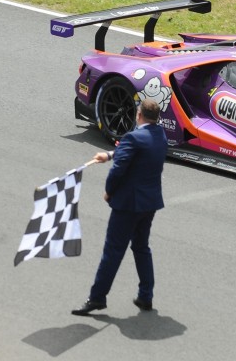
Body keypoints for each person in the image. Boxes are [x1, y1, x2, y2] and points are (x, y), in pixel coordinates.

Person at [72, 98, 168, 316]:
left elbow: (118, 171)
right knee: (142, 248)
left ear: (139, 115)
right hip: (149, 203)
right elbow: (138, 152)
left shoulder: (132, 138)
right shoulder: (160, 135)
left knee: (113, 251)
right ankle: (146, 296)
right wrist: (109, 155)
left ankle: (97, 298)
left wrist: (109, 192)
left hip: (127, 204)